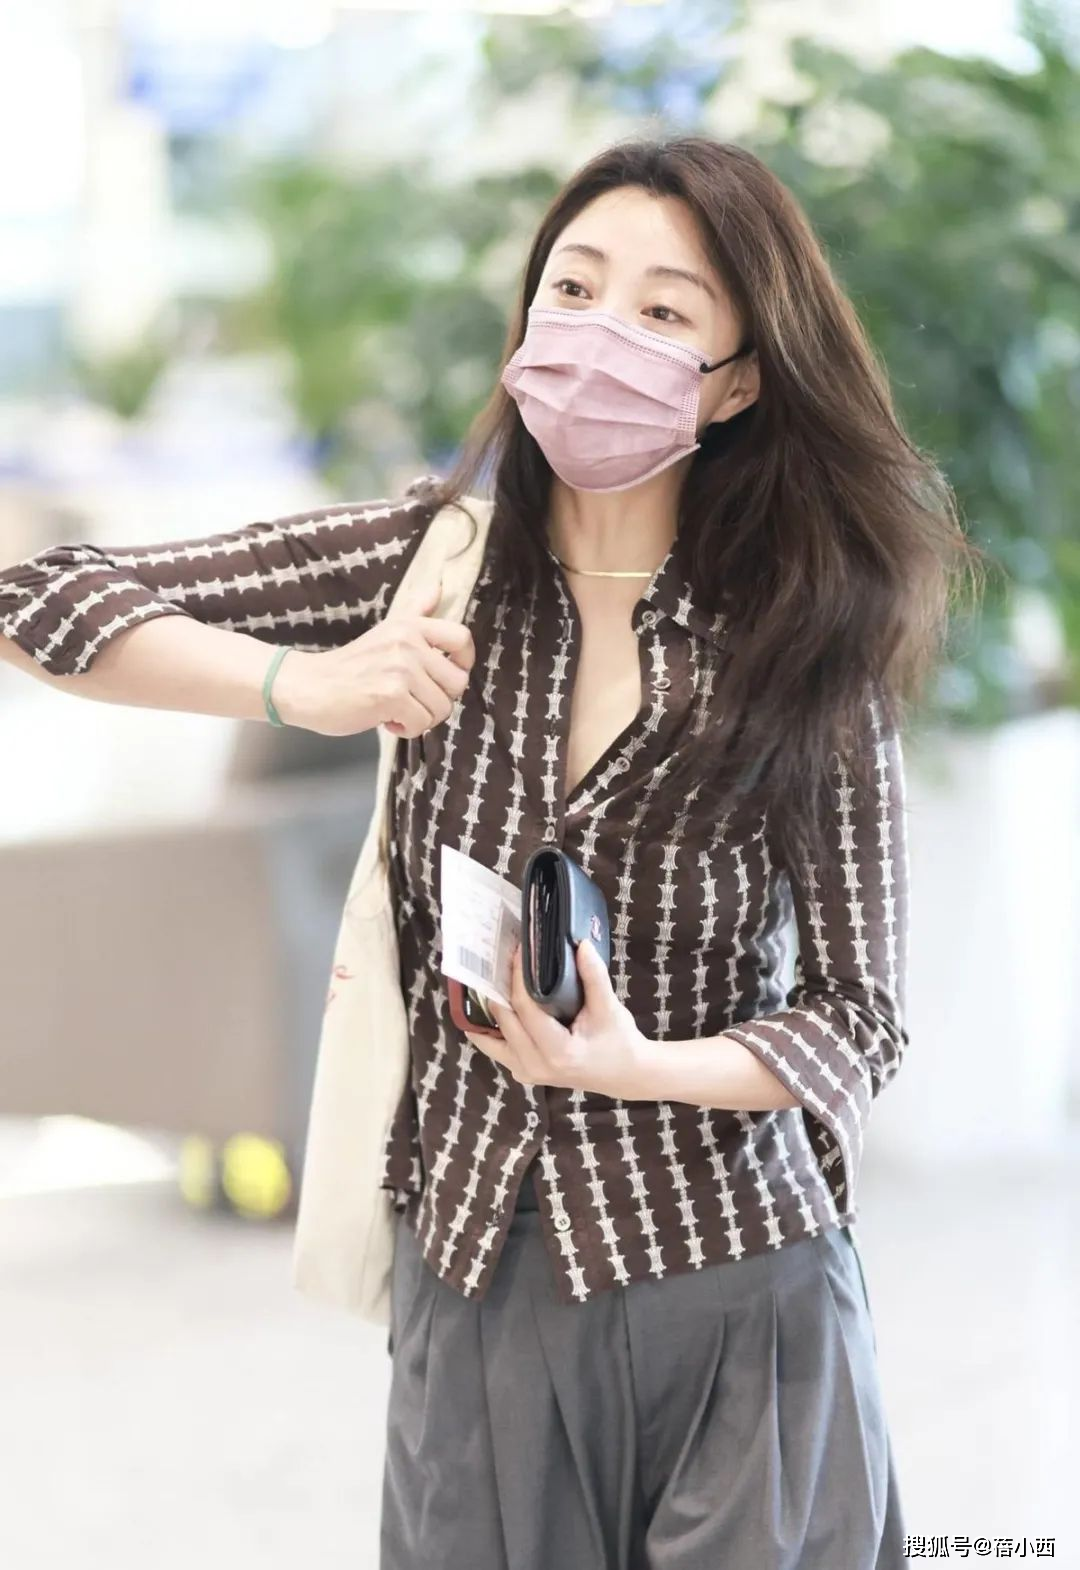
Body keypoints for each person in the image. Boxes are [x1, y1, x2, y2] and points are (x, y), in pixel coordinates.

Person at [0, 134, 982, 1569]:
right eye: (572, 289)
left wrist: (640, 1065)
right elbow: (40, 599)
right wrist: (303, 685)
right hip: (475, 1285)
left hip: (733, 1284)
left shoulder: (803, 629)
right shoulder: (427, 563)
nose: (600, 333)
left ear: (738, 379)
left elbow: (858, 1018)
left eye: (662, 310)